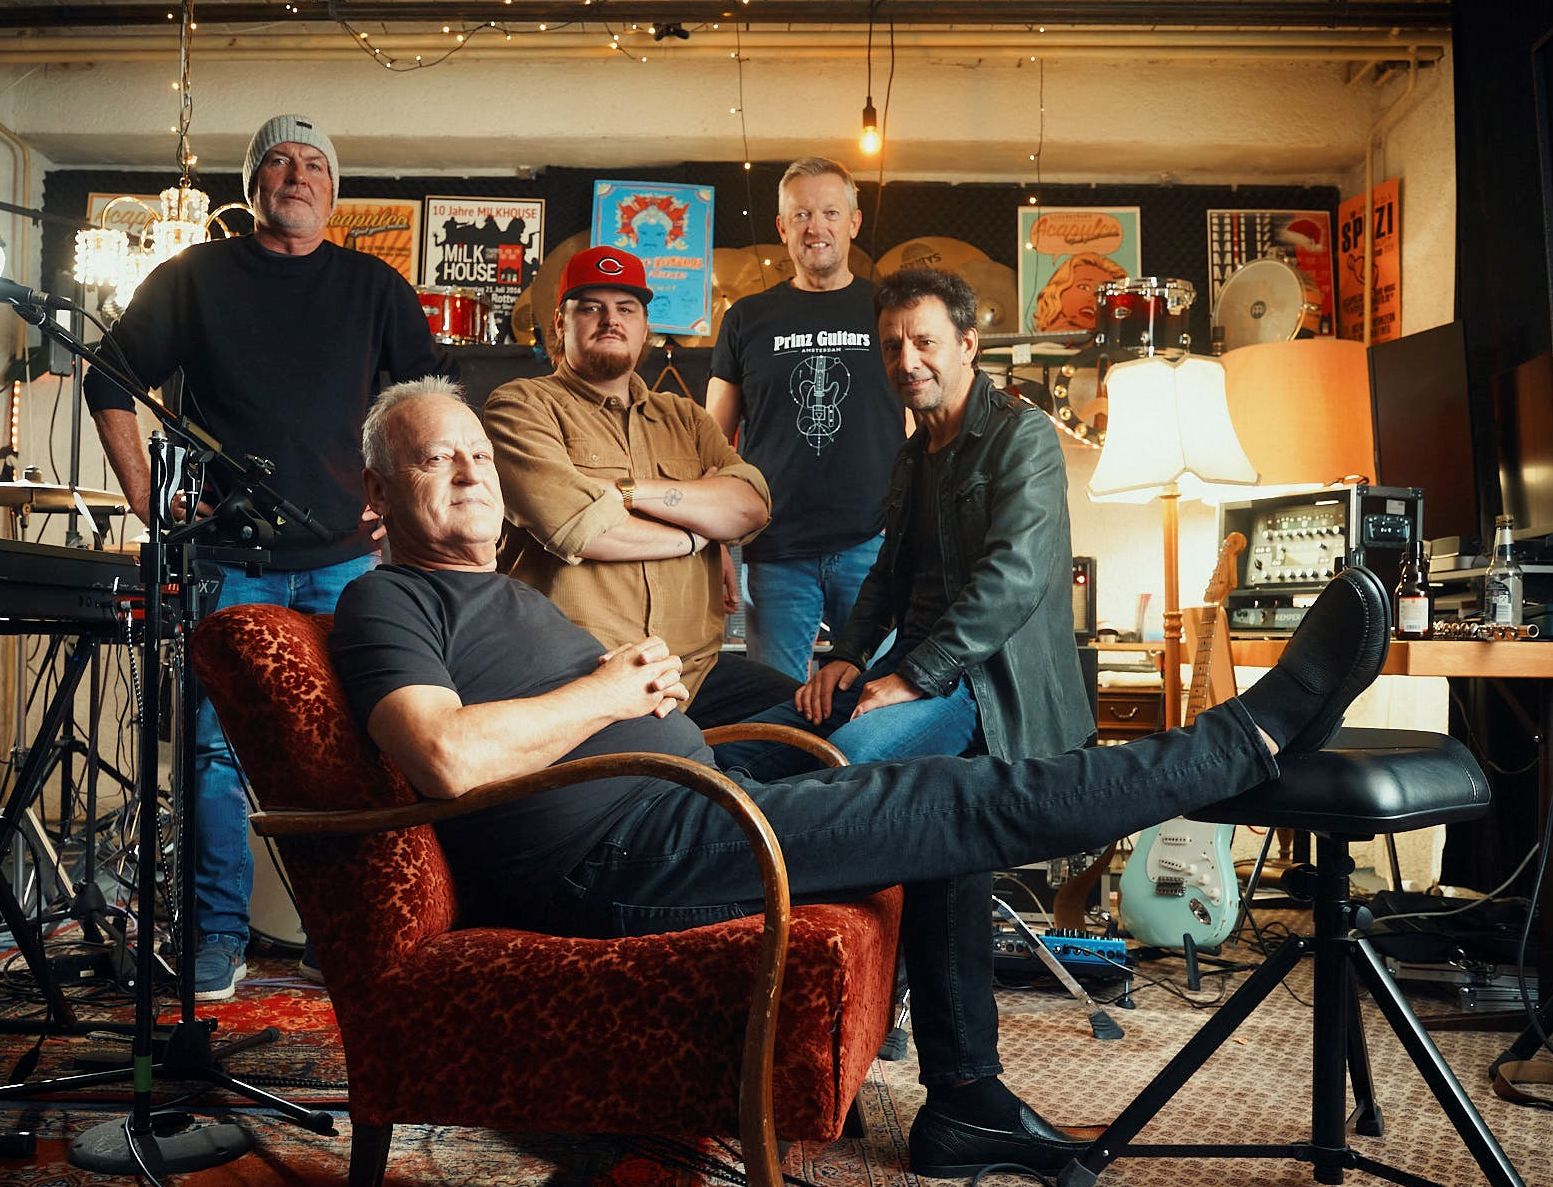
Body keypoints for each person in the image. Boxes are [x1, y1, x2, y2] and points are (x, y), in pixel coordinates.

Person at [329, 377, 1390, 1179]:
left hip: (688, 808)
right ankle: (1238, 742)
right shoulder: (390, 602)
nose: (471, 472)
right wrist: (606, 691)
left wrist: (637, 691)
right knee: (957, 794)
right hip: (621, 859)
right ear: (379, 489)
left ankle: (964, 1100)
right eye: (437, 459)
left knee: (940, 783)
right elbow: (446, 754)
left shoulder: (507, 592)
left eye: (479, 453)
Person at [83, 113, 451, 1000]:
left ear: (334, 191)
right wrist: (147, 496)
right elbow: (109, 376)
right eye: (278, 161)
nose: (296, 175)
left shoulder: (374, 286)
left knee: (353, 748)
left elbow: (430, 400)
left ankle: (340, 935)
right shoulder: (194, 276)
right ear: (251, 185)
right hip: (226, 559)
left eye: (314, 164)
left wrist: (405, 505)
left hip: (345, 563)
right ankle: (216, 935)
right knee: (213, 751)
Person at [721, 266, 1093, 780]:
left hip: (984, 683)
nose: (907, 362)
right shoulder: (912, 455)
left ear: (967, 345)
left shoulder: (1023, 435)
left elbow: (1012, 579)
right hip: (910, 665)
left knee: (842, 759)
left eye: (925, 343)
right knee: (734, 751)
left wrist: (914, 678)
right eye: (893, 347)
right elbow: (888, 572)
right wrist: (848, 656)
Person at [482, 245, 798, 729]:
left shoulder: (685, 418)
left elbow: (751, 506)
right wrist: (696, 535)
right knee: (673, 757)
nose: (611, 320)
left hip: (693, 669)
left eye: (626, 309)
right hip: (583, 673)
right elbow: (581, 527)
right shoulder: (521, 406)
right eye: (591, 307)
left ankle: (718, 773)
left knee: (813, 714)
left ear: (645, 326)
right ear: (560, 322)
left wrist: (628, 492)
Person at [706, 158, 905, 681]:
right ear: (782, 226)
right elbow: (710, 442)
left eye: (830, 213)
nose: (816, 227)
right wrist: (714, 542)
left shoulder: (890, 310)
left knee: (879, 697)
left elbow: (922, 423)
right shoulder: (745, 318)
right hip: (774, 550)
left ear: (853, 223)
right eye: (801, 215)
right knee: (772, 703)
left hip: (874, 546)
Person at [1032, 250, 1128, 333]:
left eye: (1103, 292)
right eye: (1083, 287)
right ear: (1059, 290)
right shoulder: (1039, 346)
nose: (1093, 298)